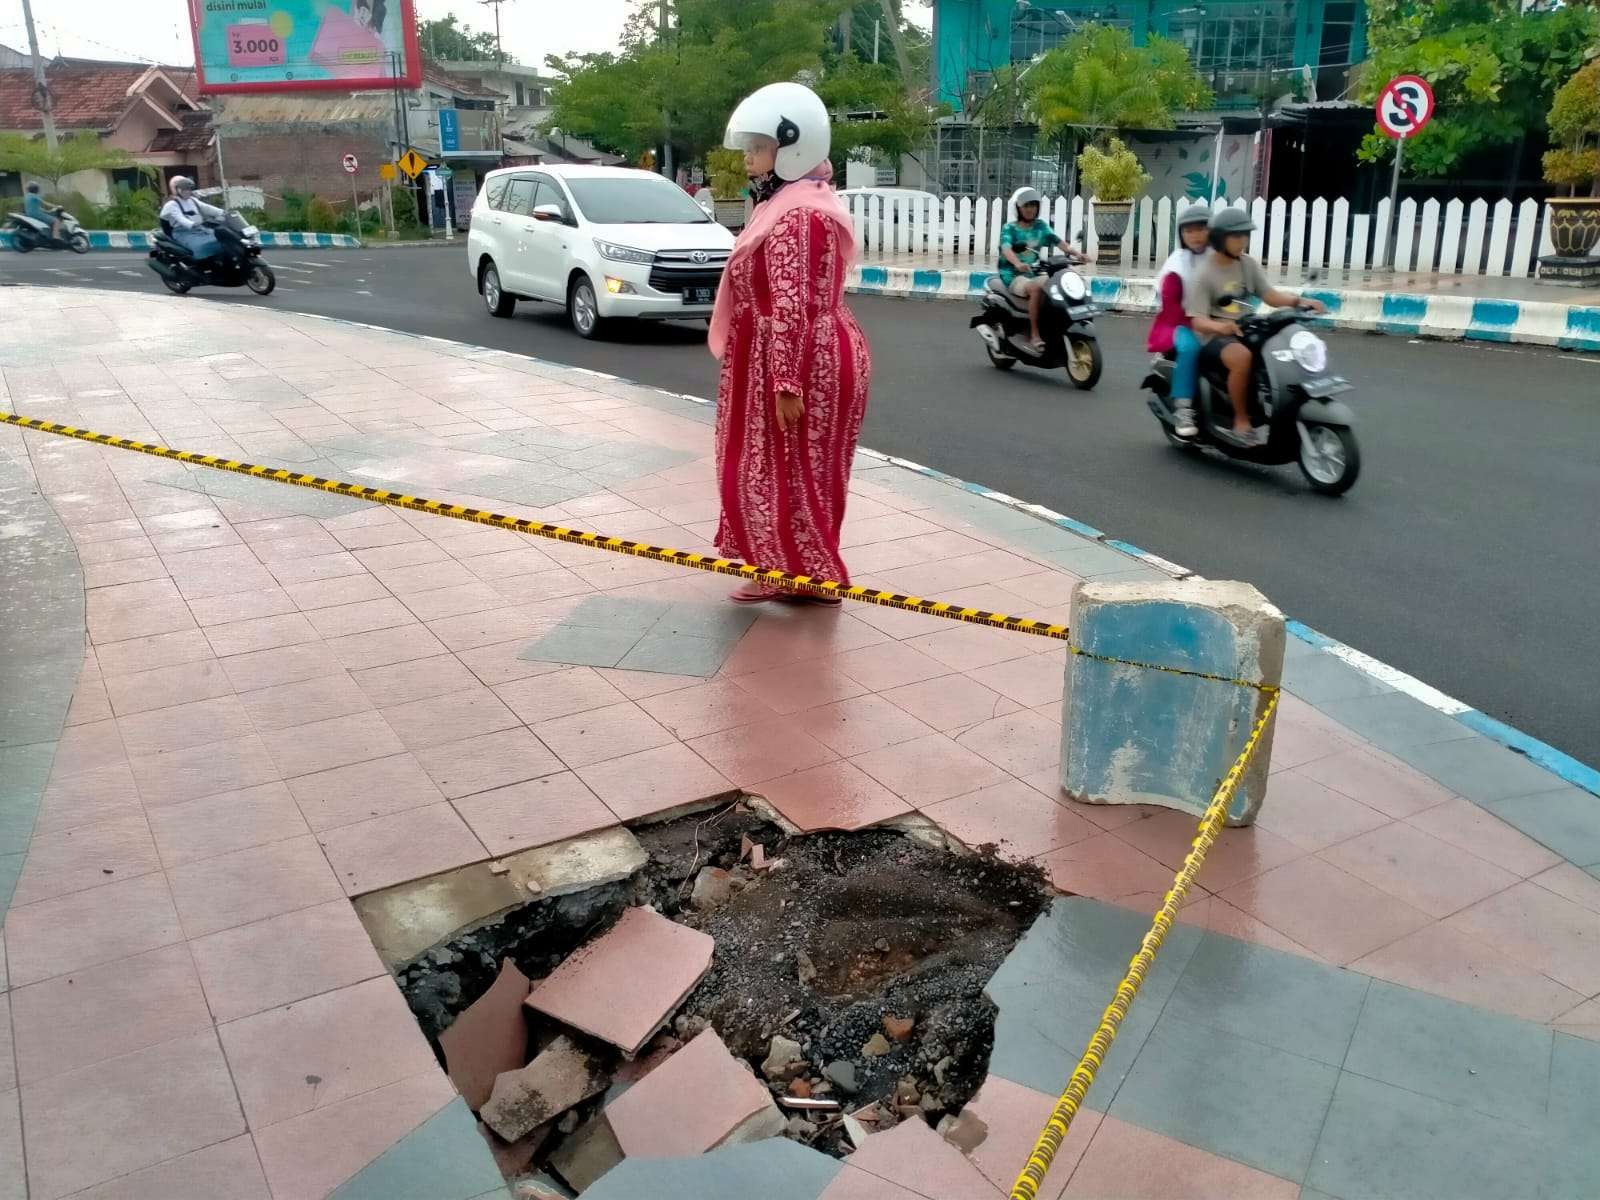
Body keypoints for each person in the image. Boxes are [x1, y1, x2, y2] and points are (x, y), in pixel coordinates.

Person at [709, 81, 871, 606]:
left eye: (758, 149)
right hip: (790, 354)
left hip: (801, 360)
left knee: (795, 470)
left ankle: (804, 575)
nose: (750, 161)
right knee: (779, 465)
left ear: (793, 147)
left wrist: (785, 382)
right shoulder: (787, 206)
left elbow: (791, 305)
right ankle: (786, 570)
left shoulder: (800, 216)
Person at [1185, 207, 1326, 446]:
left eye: (1245, 235)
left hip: (1244, 328)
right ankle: (1241, 421)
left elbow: (1269, 295)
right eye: (1237, 236)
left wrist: (1299, 302)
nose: (1243, 241)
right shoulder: (1203, 273)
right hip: (1213, 336)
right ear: (1220, 238)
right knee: (1241, 358)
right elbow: (1196, 321)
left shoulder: (1247, 264)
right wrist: (1222, 328)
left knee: (1282, 348)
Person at [1148, 203, 1211, 438]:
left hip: (1216, 319)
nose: (1195, 235)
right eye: (1189, 230)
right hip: (1181, 321)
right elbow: (1171, 306)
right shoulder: (1177, 264)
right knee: (1191, 348)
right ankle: (1184, 409)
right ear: (1182, 234)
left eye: (1201, 229)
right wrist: (1196, 324)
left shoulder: (1219, 257)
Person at [997, 187, 1081, 353]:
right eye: (1026, 205)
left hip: (1034, 272)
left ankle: (1061, 325)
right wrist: (1017, 263)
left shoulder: (1041, 226)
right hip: (1013, 274)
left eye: (1034, 205)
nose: (1030, 209)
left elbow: (1058, 242)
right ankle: (1034, 335)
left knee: (1064, 280)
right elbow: (1006, 248)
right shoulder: (1010, 229)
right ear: (1018, 208)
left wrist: (1078, 254)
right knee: (1036, 289)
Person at [159, 176, 224, 264]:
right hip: (182, 232)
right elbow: (180, 218)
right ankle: (201, 266)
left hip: (199, 229)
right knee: (201, 246)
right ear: (179, 190)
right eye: (186, 189)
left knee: (221, 238)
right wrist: (192, 224)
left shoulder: (193, 200)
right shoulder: (172, 204)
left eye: (190, 189)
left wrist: (223, 213)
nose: (189, 191)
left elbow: (207, 208)